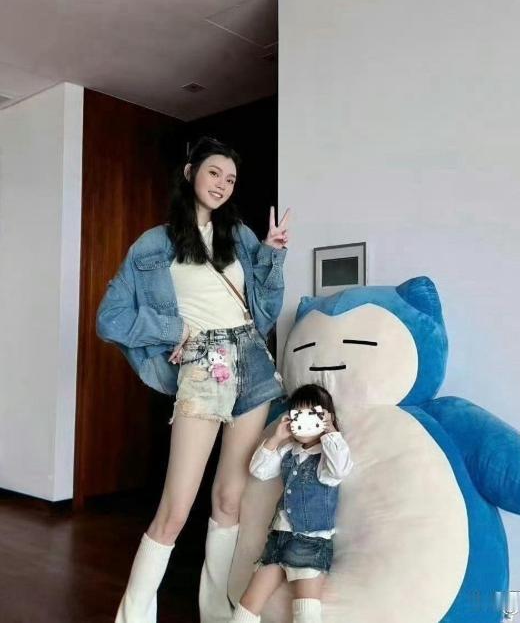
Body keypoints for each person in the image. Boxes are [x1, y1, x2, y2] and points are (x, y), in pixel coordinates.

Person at [96, 136, 290, 623]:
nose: (222, 185)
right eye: (214, 173)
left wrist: (270, 254)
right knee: (175, 509)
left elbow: (265, 311)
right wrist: (172, 330)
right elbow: (110, 319)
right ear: (190, 174)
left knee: (229, 500)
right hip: (205, 364)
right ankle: (132, 617)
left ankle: (217, 613)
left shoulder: (239, 235)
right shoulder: (153, 244)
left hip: (253, 361)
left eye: (231, 179)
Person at [231, 384, 354, 623]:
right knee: (248, 604)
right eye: (298, 415)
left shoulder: (327, 456)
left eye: (312, 415)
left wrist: (330, 432)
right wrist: (276, 437)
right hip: (278, 540)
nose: (304, 422)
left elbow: (340, 469)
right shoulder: (289, 450)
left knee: (306, 612)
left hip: (311, 542)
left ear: (325, 418)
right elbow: (258, 471)